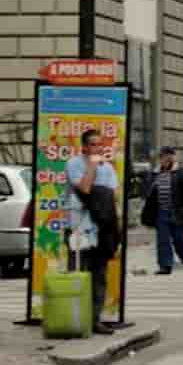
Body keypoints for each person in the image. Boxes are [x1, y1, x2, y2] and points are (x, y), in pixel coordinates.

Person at [65, 129, 120, 336]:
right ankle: (75, 319)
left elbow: (112, 198)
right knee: (78, 272)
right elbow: (85, 188)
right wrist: (92, 165)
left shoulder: (109, 168)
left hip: (101, 228)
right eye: (94, 145)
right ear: (84, 147)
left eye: (100, 144)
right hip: (79, 228)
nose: (98, 148)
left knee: (99, 275)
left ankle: (95, 319)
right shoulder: (74, 164)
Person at [145, 146, 183, 275]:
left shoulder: (181, 172)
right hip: (161, 212)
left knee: (180, 239)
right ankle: (165, 266)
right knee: (163, 240)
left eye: (167, 156)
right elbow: (148, 192)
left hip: (177, 212)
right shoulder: (155, 173)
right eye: (162, 157)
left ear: (172, 157)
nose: (164, 159)